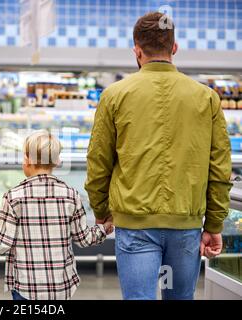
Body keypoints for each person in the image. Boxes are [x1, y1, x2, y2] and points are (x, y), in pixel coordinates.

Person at [85, 12, 232, 300]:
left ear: (137, 51)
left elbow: (98, 162)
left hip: (134, 224)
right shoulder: (206, 98)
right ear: (174, 48)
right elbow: (219, 169)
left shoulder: (114, 95)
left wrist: (102, 211)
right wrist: (214, 225)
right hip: (186, 224)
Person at [0, 130, 113, 300]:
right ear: (57, 161)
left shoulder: (13, 197)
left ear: (27, 160)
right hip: (61, 286)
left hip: (26, 287)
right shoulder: (70, 195)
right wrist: (103, 229)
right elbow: (84, 238)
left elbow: (2, 243)